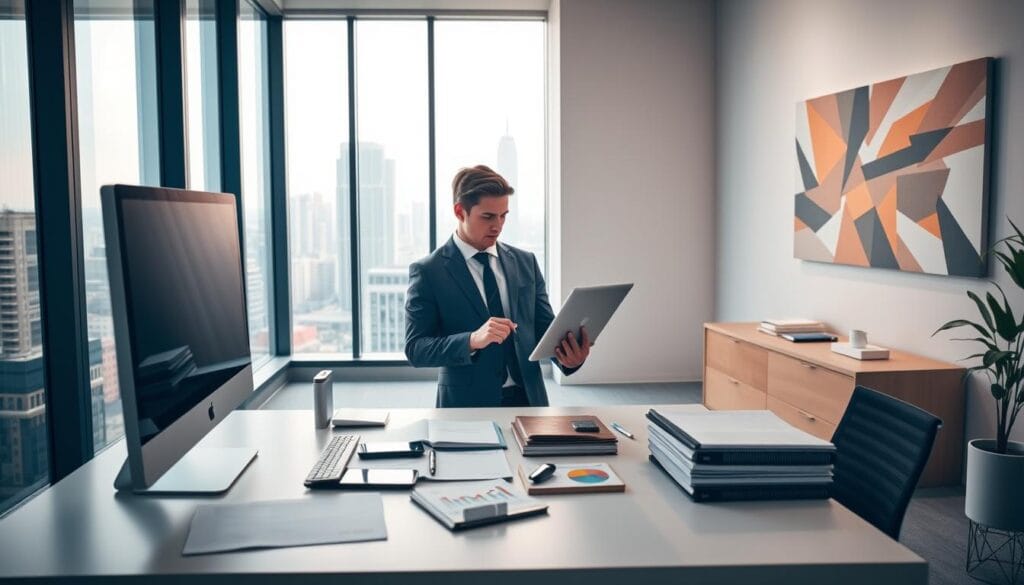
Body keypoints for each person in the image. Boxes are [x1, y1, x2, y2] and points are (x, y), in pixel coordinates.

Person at [405, 165, 589, 407]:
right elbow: (416, 348)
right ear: (460, 211)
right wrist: (472, 339)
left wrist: (570, 359)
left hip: (530, 401)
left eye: (504, 215)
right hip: (466, 405)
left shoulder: (526, 263)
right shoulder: (429, 271)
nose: (498, 226)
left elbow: (545, 330)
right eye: (488, 216)